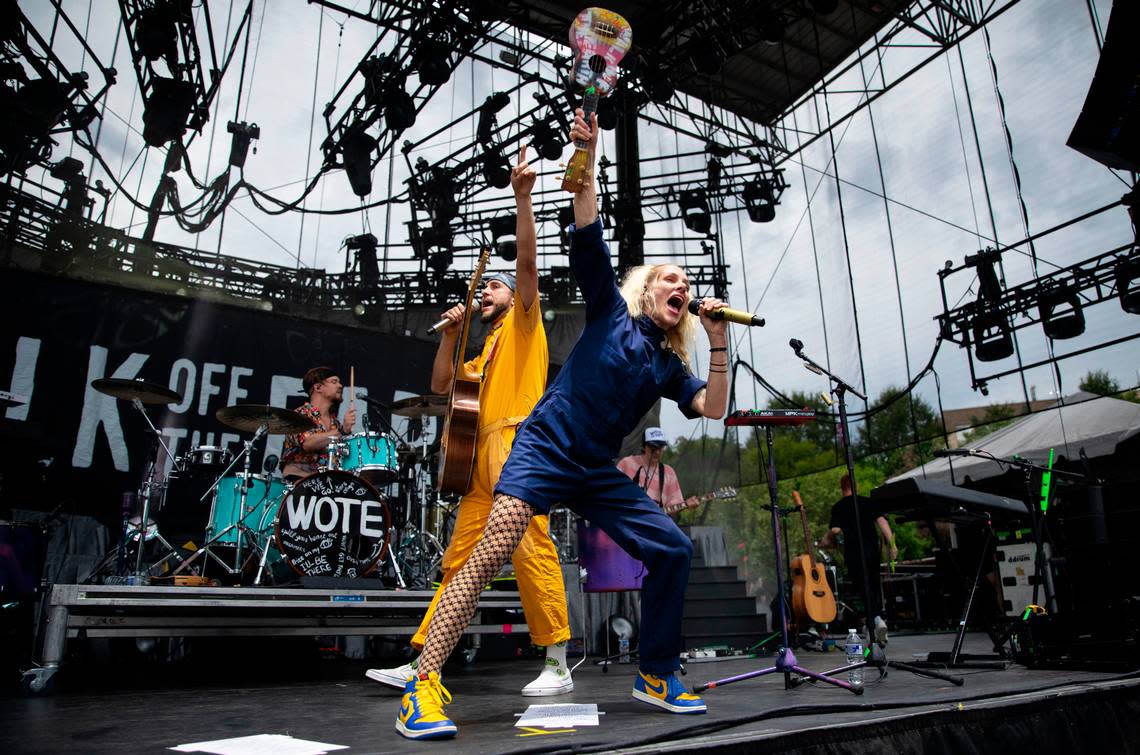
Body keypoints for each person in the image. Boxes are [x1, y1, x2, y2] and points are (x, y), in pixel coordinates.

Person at [395, 109, 729, 741]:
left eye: (685, 281)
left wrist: (715, 342)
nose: (679, 283)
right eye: (668, 278)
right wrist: (589, 152)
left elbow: (712, 409)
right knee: (492, 549)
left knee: (673, 548)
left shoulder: (667, 363)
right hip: (544, 446)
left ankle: (655, 673)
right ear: (644, 292)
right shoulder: (609, 311)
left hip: (593, 469)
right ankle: (424, 685)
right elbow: (585, 214)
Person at [368, 145, 572, 699]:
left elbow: (527, 266)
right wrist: (452, 336)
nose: (486, 292)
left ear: (512, 296)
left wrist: (523, 198)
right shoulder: (485, 351)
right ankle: (425, 661)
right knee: (457, 560)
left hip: (517, 444)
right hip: (480, 459)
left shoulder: (526, 325)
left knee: (530, 546)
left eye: (493, 287)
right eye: (486, 288)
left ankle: (556, 658)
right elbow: (442, 387)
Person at [819, 474, 897, 644]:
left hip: (854, 553)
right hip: (872, 552)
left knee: (863, 589)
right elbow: (883, 523)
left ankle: (876, 620)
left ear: (842, 487)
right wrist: (892, 545)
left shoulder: (839, 507)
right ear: (856, 486)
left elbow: (836, 530)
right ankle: (874, 625)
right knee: (874, 586)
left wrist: (825, 540)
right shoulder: (868, 502)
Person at [281, 367, 356, 481]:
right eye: (334, 382)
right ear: (318, 387)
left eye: (339, 382)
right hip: (299, 482)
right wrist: (341, 431)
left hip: (326, 485)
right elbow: (308, 443)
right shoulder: (299, 415)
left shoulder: (335, 423)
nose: (340, 386)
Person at [616, 427, 699, 515]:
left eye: (661, 447)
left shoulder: (668, 472)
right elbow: (612, 490)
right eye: (653, 448)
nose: (657, 452)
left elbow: (674, 505)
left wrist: (685, 504)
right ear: (644, 446)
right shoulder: (627, 463)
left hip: (653, 524)